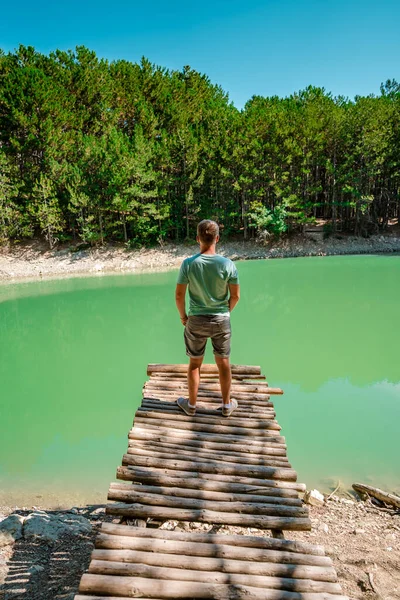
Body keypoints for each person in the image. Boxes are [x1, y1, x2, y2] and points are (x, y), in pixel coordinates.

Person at [175, 219, 240, 417]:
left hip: (196, 320)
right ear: (217, 238)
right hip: (221, 319)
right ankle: (227, 405)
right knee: (224, 363)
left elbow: (179, 296)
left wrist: (184, 317)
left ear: (197, 239)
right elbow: (235, 296)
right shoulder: (228, 264)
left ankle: (192, 405)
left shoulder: (188, 264)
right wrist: (225, 311)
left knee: (195, 364)